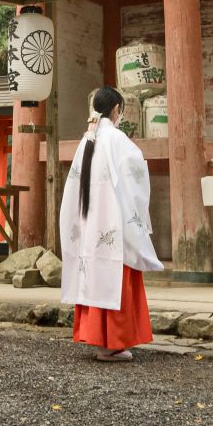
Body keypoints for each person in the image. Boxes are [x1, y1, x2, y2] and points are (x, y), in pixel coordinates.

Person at [60, 86, 161, 362]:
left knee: (94, 274)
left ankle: (100, 340)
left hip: (91, 223)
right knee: (117, 276)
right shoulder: (117, 139)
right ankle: (113, 343)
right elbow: (135, 178)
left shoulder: (87, 140)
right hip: (113, 223)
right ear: (116, 110)